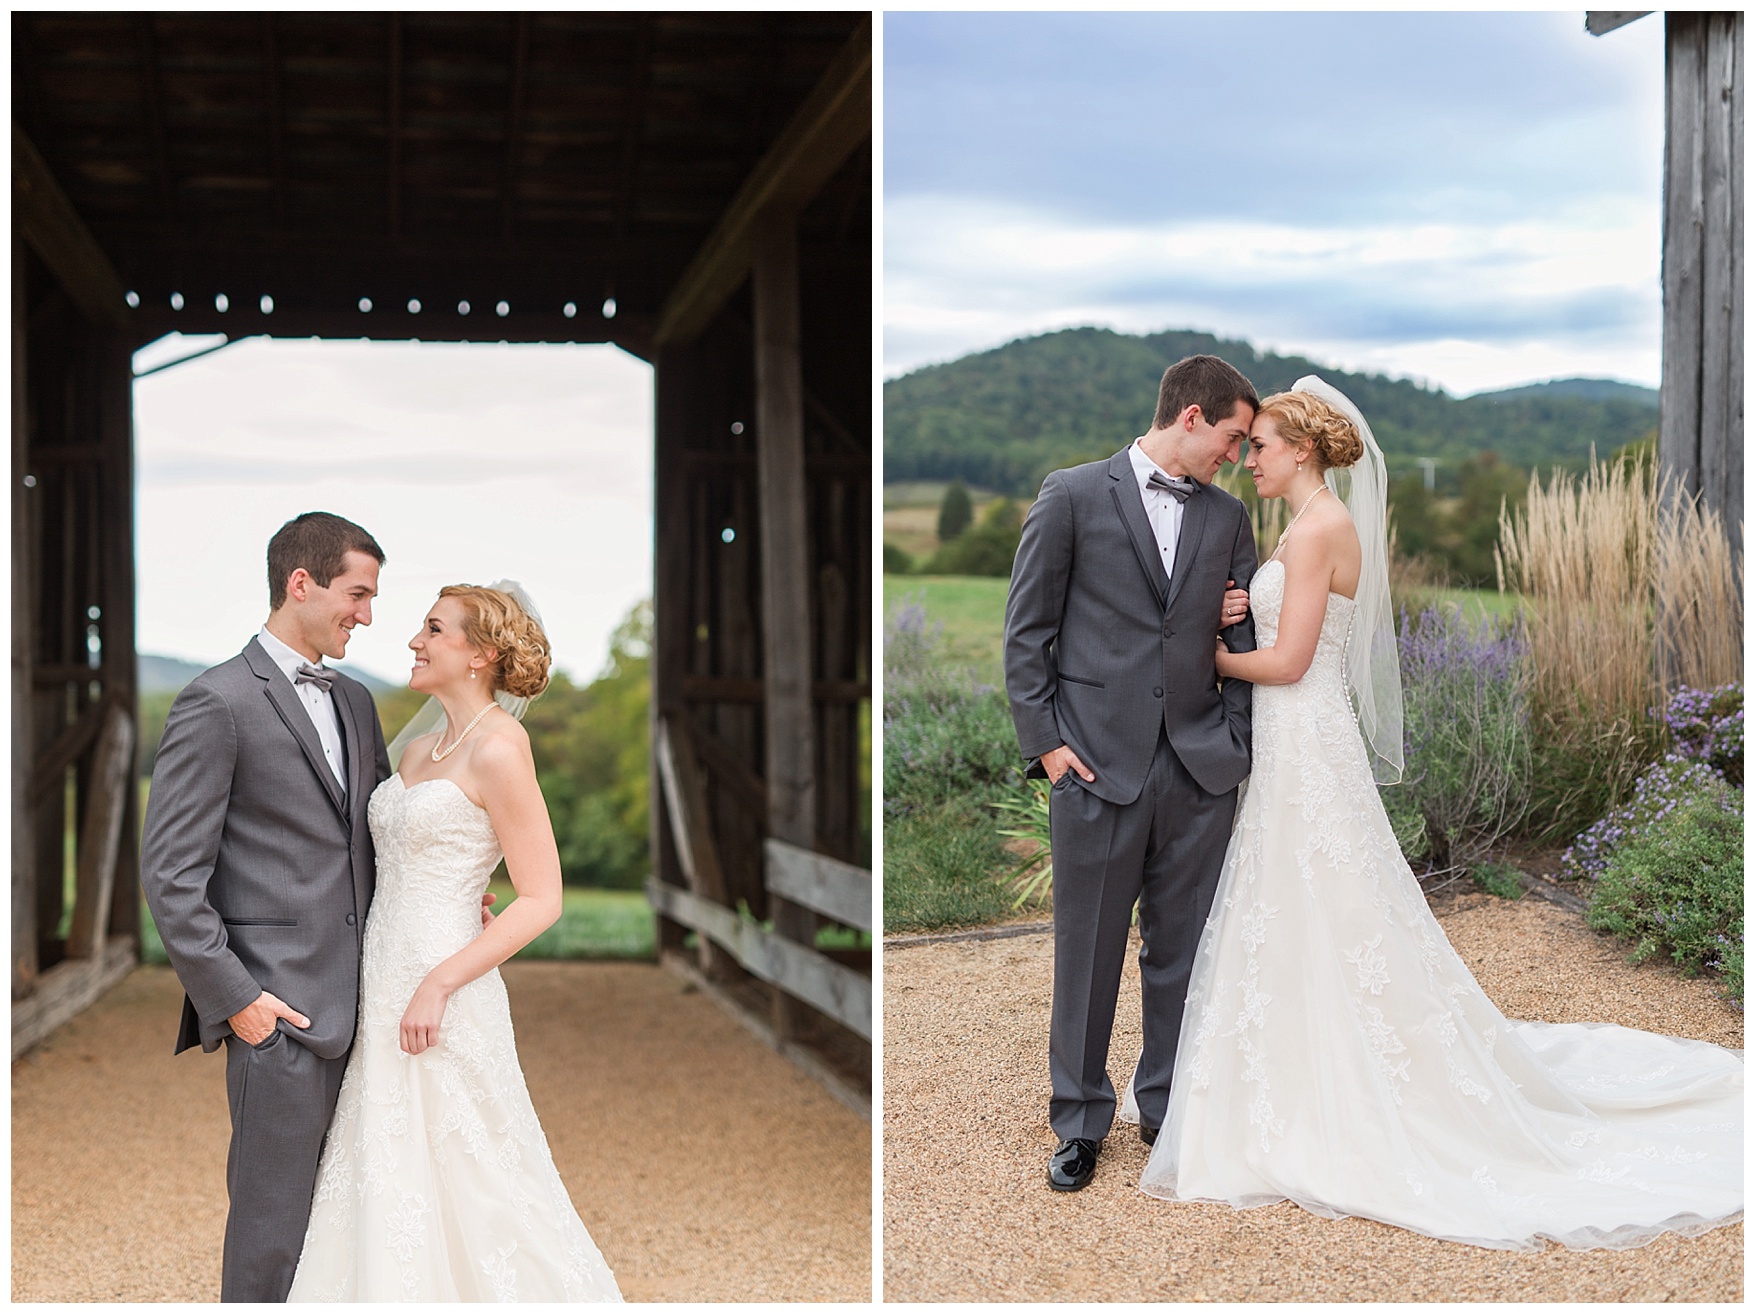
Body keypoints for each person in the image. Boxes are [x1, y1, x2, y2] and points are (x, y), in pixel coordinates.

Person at [1131, 377, 1743, 1250]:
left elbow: (1292, 663)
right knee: (1302, 902)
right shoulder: (1308, 528)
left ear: (1299, 450)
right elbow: (1280, 633)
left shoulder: (1318, 530)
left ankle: (1334, 1085)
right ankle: (1296, 1067)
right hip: (1294, 745)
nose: (1248, 459)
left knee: (1323, 896)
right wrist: (1235, 613)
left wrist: (1202, 654)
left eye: (1259, 446)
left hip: (1304, 736)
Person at [286, 582, 622, 1301]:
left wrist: (440, 981)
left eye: (434, 630)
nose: (414, 640)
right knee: (390, 1156)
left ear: (480, 655)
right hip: (381, 976)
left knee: (473, 1161)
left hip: (445, 987)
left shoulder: (501, 748)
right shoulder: (419, 754)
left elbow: (543, 898)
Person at [1002, 354, 1262, 1193]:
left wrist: (1230, 741)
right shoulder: (1071, 495)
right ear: (1190, 416)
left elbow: (1243, 635)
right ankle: (1078, 1122)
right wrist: (1047, 746)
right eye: (1231, 437)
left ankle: (1164, 1109)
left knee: (1180, 952)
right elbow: (1026, 632)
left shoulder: (1226, 519)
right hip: (1093, 766)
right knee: (1086, 953)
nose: (1235, 455)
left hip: (1197, 768)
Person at [141, 511, 393, 1301]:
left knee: (354, 1228)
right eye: (357, 593)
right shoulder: (214, 701)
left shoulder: (356, 702)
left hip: (371, 1008)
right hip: (277, 1012)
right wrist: (239, 1002)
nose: (368, 614)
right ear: (301, 584)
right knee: (271, 1235)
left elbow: (377, 832)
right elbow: (171, 872)